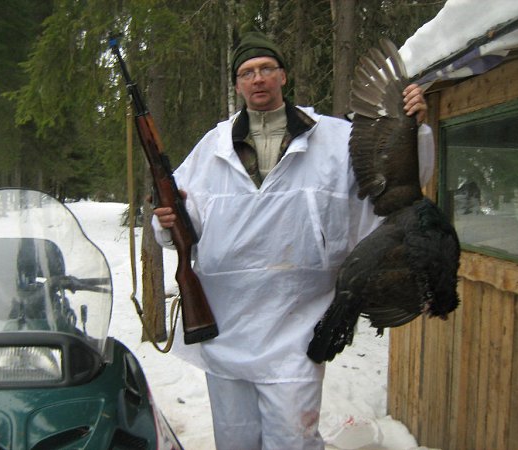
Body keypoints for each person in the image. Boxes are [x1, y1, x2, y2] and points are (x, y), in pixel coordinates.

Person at [152, 31, 432, 450]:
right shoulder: (212, 147)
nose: (258, 78)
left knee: (292, 441)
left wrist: (412, 130)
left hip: (296, 324)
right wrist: (166, 221)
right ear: (237, 85)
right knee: (234, 439)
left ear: (283, 76)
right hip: (225, 324)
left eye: (266, 68)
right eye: (247, 72)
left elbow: (397, 180)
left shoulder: (334, 138)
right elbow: (184, 221)